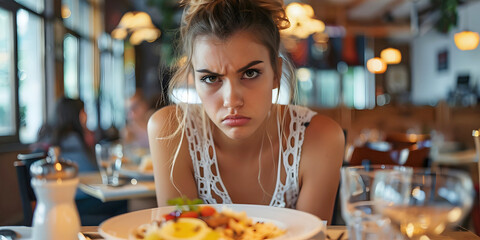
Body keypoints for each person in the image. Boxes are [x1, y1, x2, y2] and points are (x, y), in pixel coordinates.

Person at [147, 0, 344, 222]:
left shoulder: (319, 138)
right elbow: (182, 234)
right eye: (211, 78)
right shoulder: (171, 130)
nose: (232, 100)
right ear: (193, 80)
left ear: (276, 74)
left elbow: (312, 237)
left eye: (250, 73)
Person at [33, 97, 127, 225]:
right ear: (76, 114)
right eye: (84, 111)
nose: (87, 115)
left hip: (53, 204)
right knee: (125, 201)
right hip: (76, 202)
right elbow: (92, 171)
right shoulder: (72, 138)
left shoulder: (48, 136)